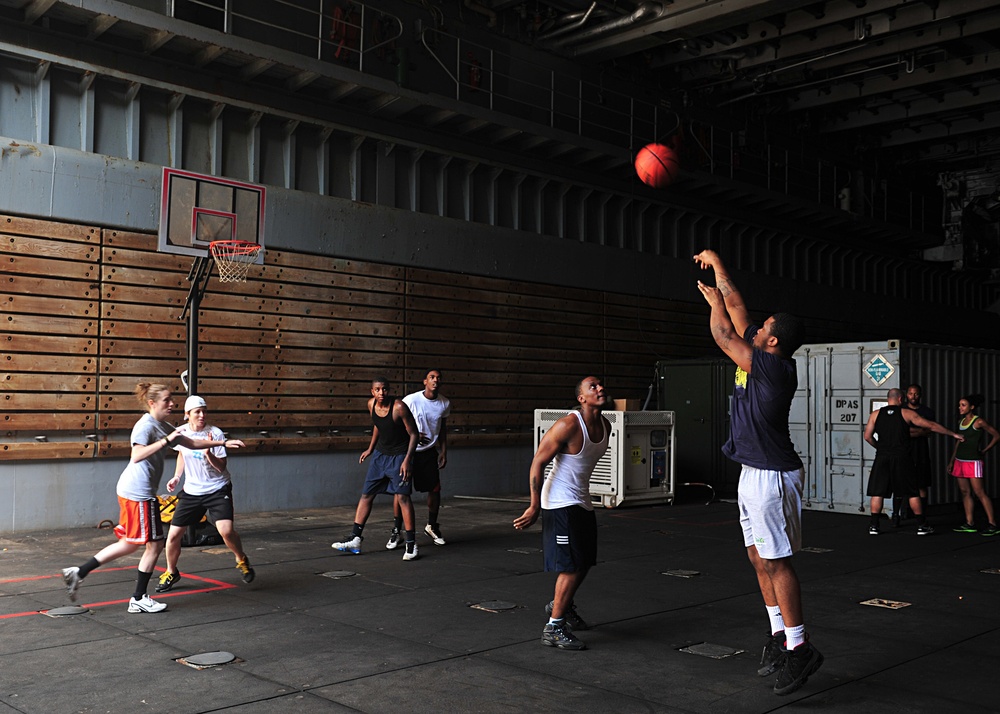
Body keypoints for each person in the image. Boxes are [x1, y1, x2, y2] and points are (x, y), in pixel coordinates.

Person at [693, 249, 821, 696]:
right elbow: (739, 308)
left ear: (771, 342)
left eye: (764, 327)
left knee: (776, 560)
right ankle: (778, 636)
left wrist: (713, 306)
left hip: (771, 475)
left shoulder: (773, 368)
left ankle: (801, 647)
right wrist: (717, 264)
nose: (757, 325)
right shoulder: (766, 351)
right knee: (756, 556)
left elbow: (725, 332)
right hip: (753, 471)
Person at [61, 383, 245, 612]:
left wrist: (222, 442)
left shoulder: (163, 425)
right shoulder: (145, 426)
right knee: (155, 544)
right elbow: (137, 454)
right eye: (167, 400)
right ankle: (138, 598)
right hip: (139, 494)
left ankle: (79, 571)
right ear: (152, 403)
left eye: (172, 399)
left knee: (128, 544)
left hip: (132, 492)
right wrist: (166, 441)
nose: (172, 403)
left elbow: (192, 443)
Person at [513, 376, 610, 652]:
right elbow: (538, 461)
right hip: (558, 500)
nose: (600, 388)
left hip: (581, 499)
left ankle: (561, 606)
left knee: (585, 560)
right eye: (593, 387)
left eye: (601, 385)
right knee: (571, 565)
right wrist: (534, 505)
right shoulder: (568, 424)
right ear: (581, 398)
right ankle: (554, 627)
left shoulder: (606, 425)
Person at [154, 395, 255, 594]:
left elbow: (221, 467)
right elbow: (182, 453)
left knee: (225, 531)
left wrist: (209, 452)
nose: (202, 415)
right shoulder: (181, 432)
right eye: (197, 412)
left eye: (204, 411)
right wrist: (176, 476)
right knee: (173, 535)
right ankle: (171, 571)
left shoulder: (215, 433)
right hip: (192, 492)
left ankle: (241, 558)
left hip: (217, 488)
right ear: (187, 415)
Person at [332, 377, 421, 559]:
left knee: (403, 497)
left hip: (399, 456)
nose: (382, 393)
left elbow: (414, 434)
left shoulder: (398, 407)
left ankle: (411, 545)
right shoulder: (371, 405)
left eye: (385, 389)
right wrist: (371, 449)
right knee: (366, 495)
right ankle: (356, 539)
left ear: (389, 390)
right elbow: (377, 426)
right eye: (378, 390)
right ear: (372, 391)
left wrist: (407, 459)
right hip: (380, 456)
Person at [863, 388, 963, 536]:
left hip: (882, 457)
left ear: (887, 399)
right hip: (902, 457)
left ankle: (874, 526)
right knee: (912, 492)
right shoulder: (906, 413)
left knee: (877, 492)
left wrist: (881, 448)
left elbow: (867, 437)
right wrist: (953, 434)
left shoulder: (875, 415)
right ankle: (922, 525)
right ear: (901, 399)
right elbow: (931, 425)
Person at [388, 369, 451, 549]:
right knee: (400, 491)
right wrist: (412, 435)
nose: (435, 380)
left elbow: (443, 428)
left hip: (429, 452)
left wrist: (444, 451)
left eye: (439, 378)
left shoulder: (444, 403)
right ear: (425, 381)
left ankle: (431, 526)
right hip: (407, 451)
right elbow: (396, 423)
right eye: (432, 377)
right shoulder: (411, 400)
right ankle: (396, 531)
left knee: (435, 489)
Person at [949, 394, 1000, 535]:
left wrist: (984, 450)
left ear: (972, 407)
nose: (960, 407)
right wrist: (952, 461)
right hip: (960, 461)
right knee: (965, 492)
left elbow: (996, 435)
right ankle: (969, 523)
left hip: (973, 461)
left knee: (979, 492)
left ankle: (992, 524)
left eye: (963, 405)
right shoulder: (961, 421)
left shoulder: (979, 422)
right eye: (959, 405)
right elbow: (958, 442)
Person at [896, 384, 936, 526]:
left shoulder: (927, 412)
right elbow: (900, 431)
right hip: (904, 451)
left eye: (916, 394)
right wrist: (919, 431)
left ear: (920, 395)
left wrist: (909, 431)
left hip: (921, 452)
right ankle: (896, 516)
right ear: (906, 395)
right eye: (911, 393)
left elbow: (930, 429)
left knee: (922, 484)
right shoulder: (900, 411)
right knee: (899, 483)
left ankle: (922, 515)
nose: (913, 396)